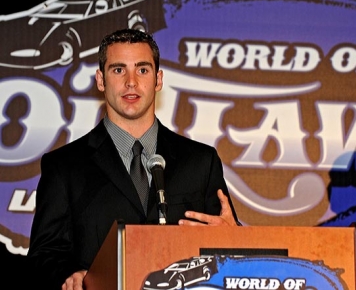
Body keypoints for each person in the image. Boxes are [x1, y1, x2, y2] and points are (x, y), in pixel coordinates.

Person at [27, 28, 240, 290]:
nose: (131, 82)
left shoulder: (200, 161)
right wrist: (72, 274)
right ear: (100, 80)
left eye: (142, 70)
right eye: (118, 70)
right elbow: (43, 256)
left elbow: (229, 241)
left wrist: (237, 239)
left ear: (158, 79)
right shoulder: (64, 166)